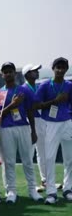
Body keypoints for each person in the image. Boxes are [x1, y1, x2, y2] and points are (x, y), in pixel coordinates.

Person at [0, 62, 42, 203]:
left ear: (14, 73)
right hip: (6, 129)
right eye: (5, 72)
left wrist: (33, 131)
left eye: (10, 71)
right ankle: (11, 191)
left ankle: (32, 190)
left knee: (28, 160)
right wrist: (13, 105)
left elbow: (30, 111)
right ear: (2, 75)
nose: (8, 74)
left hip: (23, 127)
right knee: (9, 162)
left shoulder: (24, 90)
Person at [37, 57, 72, 204]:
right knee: (50, 158)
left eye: (63, 67)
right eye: (58, 67)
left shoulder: (69, 85)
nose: (60, 70)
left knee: (70, 158)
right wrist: (54, 101)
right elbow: (37, 105)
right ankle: (51, 192)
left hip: (67, 123)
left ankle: (68, 188)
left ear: (66, 69)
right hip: (50, 124)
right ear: (53, 68)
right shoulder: (45, 86)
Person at [21, 64, 47, 192]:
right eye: (34, 71)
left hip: (41, 121)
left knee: (42, 152)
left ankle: (45, 180)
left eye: (37, 71)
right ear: (27, 74)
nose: (37, 72)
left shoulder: (38, 86)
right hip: (28, 122)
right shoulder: (23, 88)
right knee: (29, 153)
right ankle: (31, 184)